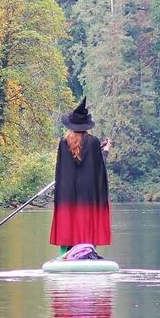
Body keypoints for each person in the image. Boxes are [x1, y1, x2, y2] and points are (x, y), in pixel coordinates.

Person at [49, 98, 111, 256]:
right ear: (86, 126)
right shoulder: (93, 142)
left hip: (67, 194)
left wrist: (98, 150)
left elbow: (61, 170)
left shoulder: (63, 142)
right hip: (88, 195)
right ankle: (87, 251)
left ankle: (65, 254)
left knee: (69, 221)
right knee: (86, 222)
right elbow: (99, 170)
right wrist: (104, 151)